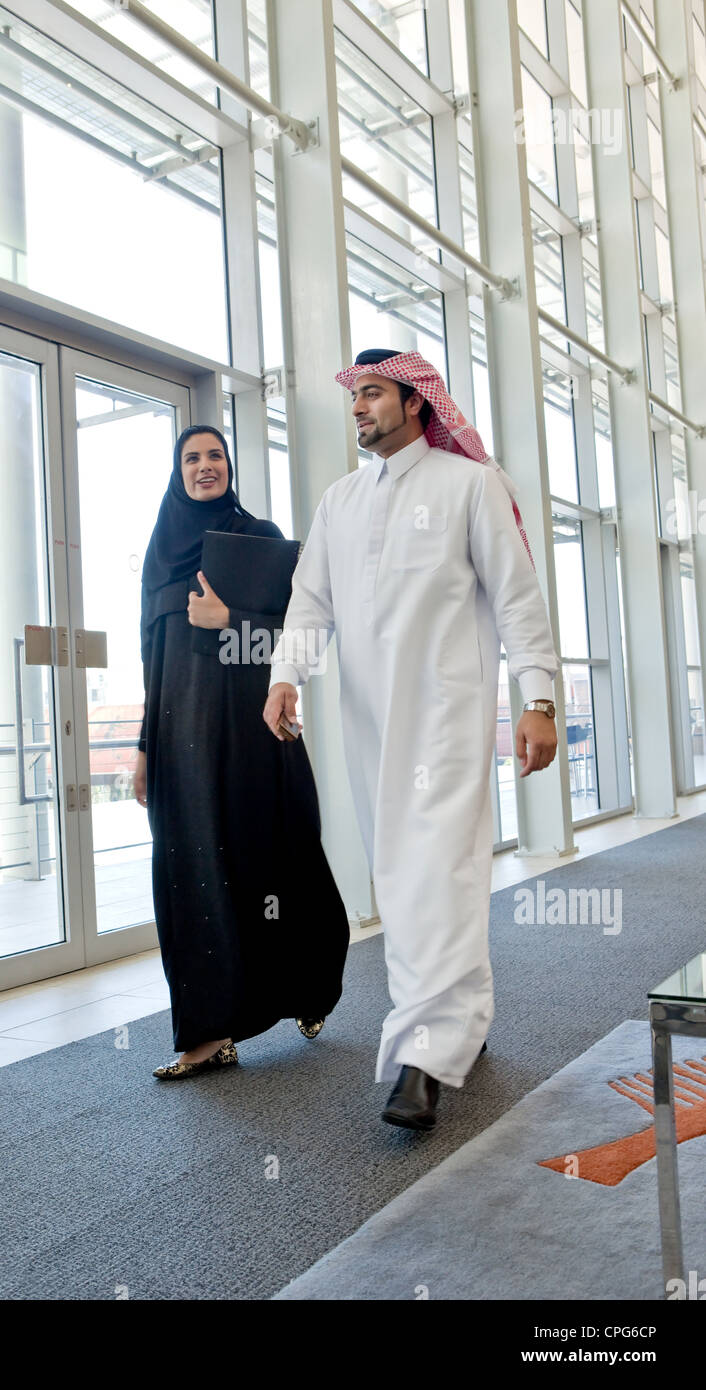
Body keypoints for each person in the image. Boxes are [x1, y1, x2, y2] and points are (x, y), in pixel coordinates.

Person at [263, 349, 559, 1130]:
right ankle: (462, 1018)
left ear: (418, 403)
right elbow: (310, 601)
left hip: (449, 720)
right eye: (354, 396)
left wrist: (540, 700)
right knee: (404, 878)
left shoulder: (470, 486)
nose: (359, 407)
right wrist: (285, 675)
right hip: (370, 727)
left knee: (441, 871)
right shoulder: (340, 502)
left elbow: (519, 598)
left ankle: (422, 1059)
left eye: (373, 392)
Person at [135, 425, 350, 1080]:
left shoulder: (257, 540)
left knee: (275, 861)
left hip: (254, 733)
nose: (206, 467)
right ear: (179, 474)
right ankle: (207, 1034)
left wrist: (229, 622)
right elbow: (152, 662)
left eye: (216, 456)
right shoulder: (160, 555)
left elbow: (298, 633)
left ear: (231, 466)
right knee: (189, 872)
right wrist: (146, 748)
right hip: (180, 740)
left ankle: (309, 987)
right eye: (192, 459)